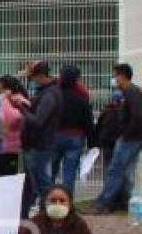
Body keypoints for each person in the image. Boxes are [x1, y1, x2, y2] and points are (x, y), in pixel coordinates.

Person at [10, 61, 63, 212]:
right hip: (36, 143)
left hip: (40, 144)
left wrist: (22, 107)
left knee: (41, 180)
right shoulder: (46, 91)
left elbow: (38, 121)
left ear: (40, 76)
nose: (32, 81)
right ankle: (33, 210)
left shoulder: (50, 94)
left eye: (32, 77)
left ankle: (52, 210)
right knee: (33, 182)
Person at [91, 63, 142, 214]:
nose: (114, 79)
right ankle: (126, 202)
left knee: (115, 170)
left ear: (122, 76)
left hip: (129, 139)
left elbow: (138, 115)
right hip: (134, 138)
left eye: (115, 75)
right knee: (127, 171)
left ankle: (104, 203)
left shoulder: (130, 91)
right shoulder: (132, 91)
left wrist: (126, 134)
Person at [50, 65, 95, 194]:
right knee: (69, 174)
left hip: (54, 136)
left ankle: (46, 201)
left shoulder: (53, 95)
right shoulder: (82, 97)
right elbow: (88, 121)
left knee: (51, 172)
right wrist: (92, 142)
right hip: (75, 138)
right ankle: (67, 202)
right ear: (77, 79)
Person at [94, 89, 125, 198]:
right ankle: (115, 195)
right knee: (116, 170)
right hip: (116, 144)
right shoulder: (123, 111)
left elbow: (98, 127)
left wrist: (97, 141)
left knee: (109, 170)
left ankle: (109, 194)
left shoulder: (106, 110)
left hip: (108, 144)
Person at [0, 76, 29, 176]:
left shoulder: (15, 99)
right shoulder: (17, 99)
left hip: (9, 147)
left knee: (7, 177)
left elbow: (12, 118)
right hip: (8, 146)